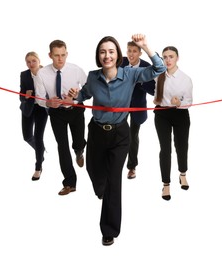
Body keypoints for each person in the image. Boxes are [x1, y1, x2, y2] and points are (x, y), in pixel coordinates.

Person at [68, 34, 166, 246]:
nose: (107, 55)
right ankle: (101, 188)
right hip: (96, 132)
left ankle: (109, 230)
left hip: (120, 135)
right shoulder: (93, 77)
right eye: (103, 51)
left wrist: (145, 47)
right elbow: (84, 94)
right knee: (94, 172)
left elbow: (159, 69)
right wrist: (75, 96)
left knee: (114, 179)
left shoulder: (130, 74)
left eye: (111, 51)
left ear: (118, 55)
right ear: (98, 55)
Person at [34, 40, 87, 196]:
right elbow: (39, 98)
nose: (60, 59)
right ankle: (70, 183)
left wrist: (76, 97)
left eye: (63, 55)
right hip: (56, 113)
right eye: (56, 55)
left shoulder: (76, 70)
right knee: (62, 146)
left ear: (67, 54)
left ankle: (79, 150)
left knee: (78, 140)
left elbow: (89, 89)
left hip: (76, 109)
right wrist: (48, 102)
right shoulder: (41, 74)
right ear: (50, 55)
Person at [153, 46, 193, 201]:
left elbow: (188, 101)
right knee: (165, 149)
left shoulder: (185, 79)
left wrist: (179, 103)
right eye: (165, 57)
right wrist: (156, 100)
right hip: (162, 114)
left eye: (171, 56)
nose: (168, 60)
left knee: (181, 146)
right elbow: (157, 96)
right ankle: (166, 184)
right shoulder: (159, 76)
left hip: (180, 114)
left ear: (177, 58)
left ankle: (183, 174)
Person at [120, 41, 156, 179]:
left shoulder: (147, 67)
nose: (131, 54)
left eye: (134, 51)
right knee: (118, 133)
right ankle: (115, 163)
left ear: (140, 53)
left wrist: (141, 82)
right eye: (129, 50)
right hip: (121, 105)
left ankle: (131, 166)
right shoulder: (121, 62)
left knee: (132, 135)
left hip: (137, 106)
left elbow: (153, 90)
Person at [19, 51, 48, 181]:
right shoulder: (24, 75)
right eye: (28, 62)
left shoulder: (47, 74)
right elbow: (20, 96)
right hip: (28, 108)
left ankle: (38, 167)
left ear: (39, 60)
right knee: (27, 137)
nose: (31, 64)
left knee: (38, 137)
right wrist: (26, 95)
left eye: (33, 61)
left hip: (42, 108)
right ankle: (40, 151)